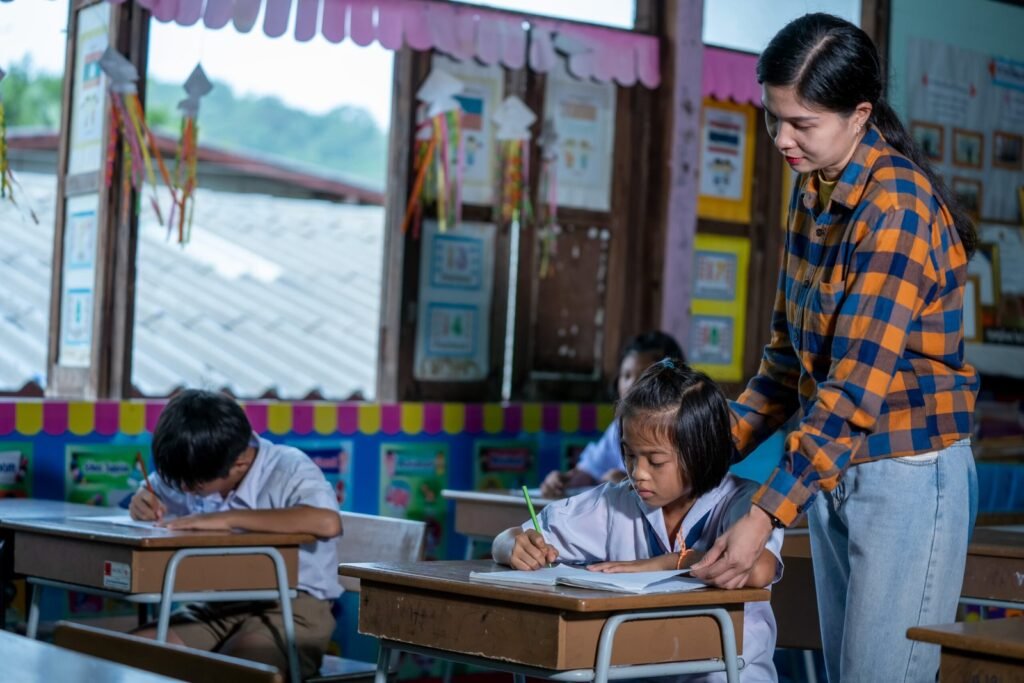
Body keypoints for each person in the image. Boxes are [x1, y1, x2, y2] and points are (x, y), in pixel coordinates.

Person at [690, 13, 979, 682]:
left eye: (802, 123)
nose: (782, 139)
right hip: (832, 467)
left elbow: (850, 390)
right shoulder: (813, 188)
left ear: (859, 115)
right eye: (773, 118)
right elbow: (783, 365)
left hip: (906, 471)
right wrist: (697, 454)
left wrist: (764, 514)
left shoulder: (897, 209)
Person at [494, 360, 784, 682]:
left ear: (701, 452)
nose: (637, 473)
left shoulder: (744, 502)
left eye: (655, 461)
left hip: (728, 674)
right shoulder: (615, 503)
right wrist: (512, 544)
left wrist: (663, 564)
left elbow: (759, 569)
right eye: (629, 455)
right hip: (643, 669)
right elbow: (521, 536)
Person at [129, 389, 343, 680]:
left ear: (239, 463)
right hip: (219, 606)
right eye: (179, 482)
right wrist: (143, 499)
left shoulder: (288, 467)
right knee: (131, 655)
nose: (184, 489)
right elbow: (155, 489)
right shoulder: (195, 465)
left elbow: (327, 522)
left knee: (239, 673)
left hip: (293, 607)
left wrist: (224, 519)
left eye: (195, 485)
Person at [540, 330, 685, 497]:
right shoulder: (619, 429)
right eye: (626, 375)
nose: (631, 385)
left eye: (644, 376)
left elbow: (680, 485)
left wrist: (631, 482)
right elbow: (590, 471)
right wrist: (562, 482)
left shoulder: (681, 430)